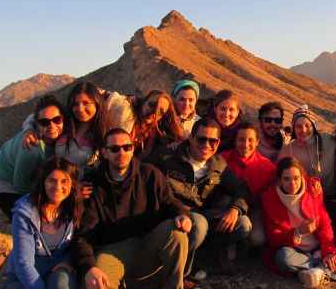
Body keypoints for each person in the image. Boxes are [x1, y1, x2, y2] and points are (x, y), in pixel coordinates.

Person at [72, 128, 191, 289]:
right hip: (111, 250)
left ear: (132, 149)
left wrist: (181, 214)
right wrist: (88, 267)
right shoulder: (92, 186)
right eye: (115, 149)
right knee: (96, 282)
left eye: (127, 147)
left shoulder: (149, 174)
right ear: (105, 153)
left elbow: (170, 202)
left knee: (176, 231)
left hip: (146, 243)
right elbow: (84, 235)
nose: (121, 152)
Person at [146, 117, 251, 277]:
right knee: (199, 224)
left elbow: (241, 188)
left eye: (213, 141)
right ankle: (178, 274)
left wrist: (235, 209)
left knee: (243, 224)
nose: (207, 145)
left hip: (200, 216)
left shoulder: (218, 164)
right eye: (202, 139)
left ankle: (196, 255)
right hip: (170, 217)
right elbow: (140, 175)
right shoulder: (167, 157)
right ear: (191, 138)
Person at [261, 157, 336, 288]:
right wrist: (298, 232)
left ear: (302, 177)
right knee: (283, 257)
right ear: (279, 180)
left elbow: (325, 222)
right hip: (296, 251)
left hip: (319, 245)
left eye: (296, 178)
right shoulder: (270, 198)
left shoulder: (312, 189)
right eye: (286, 179)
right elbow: (273, 239)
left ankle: (319, 271)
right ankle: (334, 267)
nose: (292, 184)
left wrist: (328, 251)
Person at [4, 156, 84, 289]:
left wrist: (67, 260)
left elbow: (80, 243)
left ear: (72, 184)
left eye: (64, 181)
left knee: (62, 284)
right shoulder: (25, 214)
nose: (58, 187)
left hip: (56, 269)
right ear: (43, 182)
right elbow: (24, 264)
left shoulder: (73, 209)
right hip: (24, 278)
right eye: (51, 181)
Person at [0, 95, 67, 219]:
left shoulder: (62, 133)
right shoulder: (31, 149)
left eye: (56, 120)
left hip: (29, 176)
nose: (51, 125)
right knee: (25, 218)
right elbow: (20, 184)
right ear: (38, 125)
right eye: (44, 122)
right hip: (4, 180)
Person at [276, 105, 336, 227]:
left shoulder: (327, 140)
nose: (303, 130)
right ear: (293, 129)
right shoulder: (287, 151)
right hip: (307, 200)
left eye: (307, 125)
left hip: (332, 195)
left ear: (313, 126)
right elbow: (279, 177)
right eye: (298, 126)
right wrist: (307, 181)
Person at [220, 121, 276, 248]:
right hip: (228, 205)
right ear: (234, 141)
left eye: (250, 140)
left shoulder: (265, 165)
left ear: (257, 142)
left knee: (258, 239)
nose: (246, 144)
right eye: (241, 139)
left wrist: (311, 181)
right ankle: (227, 240)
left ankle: (241, 238)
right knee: (226, 200)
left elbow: (286, 176)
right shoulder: (223, 159)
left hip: (253, 208)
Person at [131, 89, 185, 159]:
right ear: (144, 101)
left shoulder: (156, 136)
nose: (155, 112)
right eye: (152, 105)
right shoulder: (125, 116)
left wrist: (173, 143)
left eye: (161, 111)